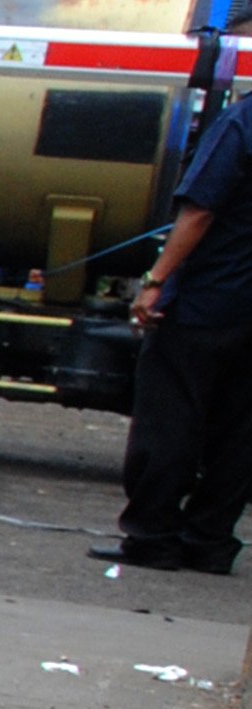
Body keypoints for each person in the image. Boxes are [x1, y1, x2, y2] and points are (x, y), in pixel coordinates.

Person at [114, 100, 252, 571]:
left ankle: (152, 536)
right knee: (240, 433)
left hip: (209, 302)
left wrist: (155, 282)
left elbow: (200, 211)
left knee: (170, 418)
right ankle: (210, 542)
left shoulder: (242, 122)